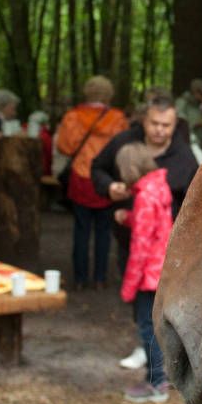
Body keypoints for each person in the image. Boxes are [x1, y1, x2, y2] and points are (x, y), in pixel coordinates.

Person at [56, 76, 127, 291]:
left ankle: (79, 279)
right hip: (105, 179)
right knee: (104, 230)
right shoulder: (117, 118)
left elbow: (65, 147)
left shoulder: (72, 117)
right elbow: (123, 150)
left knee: (81, 229)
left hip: (80, 177)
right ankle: (100, 278)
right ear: (109, 93)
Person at [116, 142, 172, 404]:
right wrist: (129, 217)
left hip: (149, 275)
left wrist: (129, 286)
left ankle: (157, 382)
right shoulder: (158, 189)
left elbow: (140, 247)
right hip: (162, 270)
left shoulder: (144, 197)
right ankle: (160, 378)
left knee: (148, 329)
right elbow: (153, 225)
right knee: (156, 327)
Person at [92, 90, 199, 217]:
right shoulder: (123, 141)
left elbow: (196, 202)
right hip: (124, 227)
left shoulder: (185, 157)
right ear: (144, 120)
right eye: (154, 123)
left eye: (166, 125)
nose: (159, 129)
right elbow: (97, 167)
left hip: (167, 232)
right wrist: (109, 186)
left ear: (175, 125)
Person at [175, 78, 202, 144]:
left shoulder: (200, 104)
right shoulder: (182, 102)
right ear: (195, 92)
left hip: (198, 141)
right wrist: (194, 124)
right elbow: (179, 122)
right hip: (186, 142)